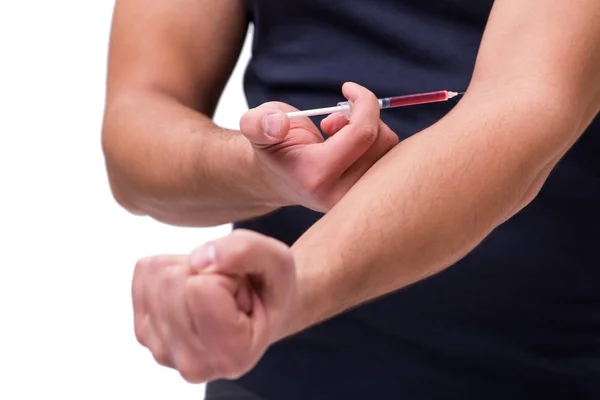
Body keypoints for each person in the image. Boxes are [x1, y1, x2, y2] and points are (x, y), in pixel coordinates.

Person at [101, 0, 600, 398]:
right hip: (270, 378)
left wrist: (294, 287)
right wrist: (267, 170)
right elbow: (138, 123)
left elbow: (530, 101)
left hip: (540, 373)